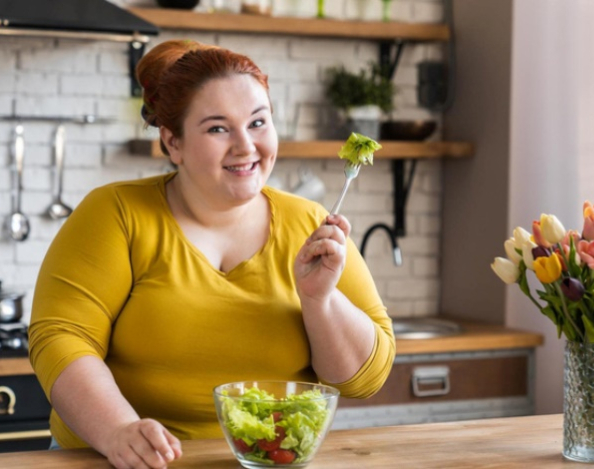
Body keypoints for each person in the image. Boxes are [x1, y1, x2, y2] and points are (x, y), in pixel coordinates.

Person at [28, 39, 395, 469]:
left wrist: (321, 301)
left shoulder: (311, 224)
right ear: (173, 142)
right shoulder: (116, 214)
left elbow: (364, 379)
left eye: (258, 123)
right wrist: (118, 432)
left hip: (267, 460)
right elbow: (62, 338)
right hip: (114, 461)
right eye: (218, 128)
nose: (245, 147)